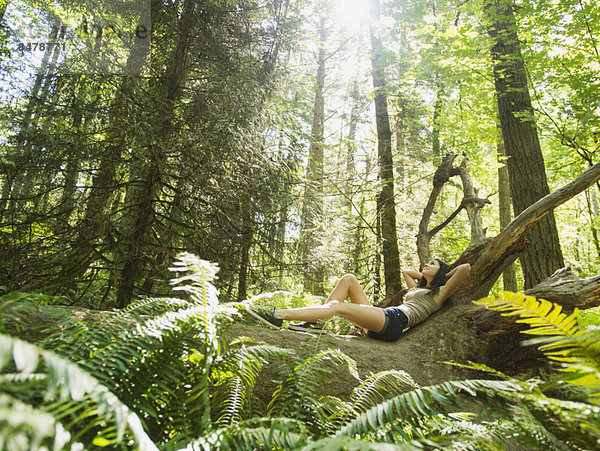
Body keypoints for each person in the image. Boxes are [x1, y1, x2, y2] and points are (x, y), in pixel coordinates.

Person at [246, 259, 471, 342]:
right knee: (349, 279)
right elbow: (406, 272)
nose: (425, 265)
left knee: (337, 307)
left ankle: (278, 316)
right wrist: (425, 275)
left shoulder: (440, 293)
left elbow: (465, 268)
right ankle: (316, 324)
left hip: (394, 322)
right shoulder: (418, 290)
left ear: (441, 273)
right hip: (384, 319)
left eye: (432, 264)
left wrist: (444, 275)